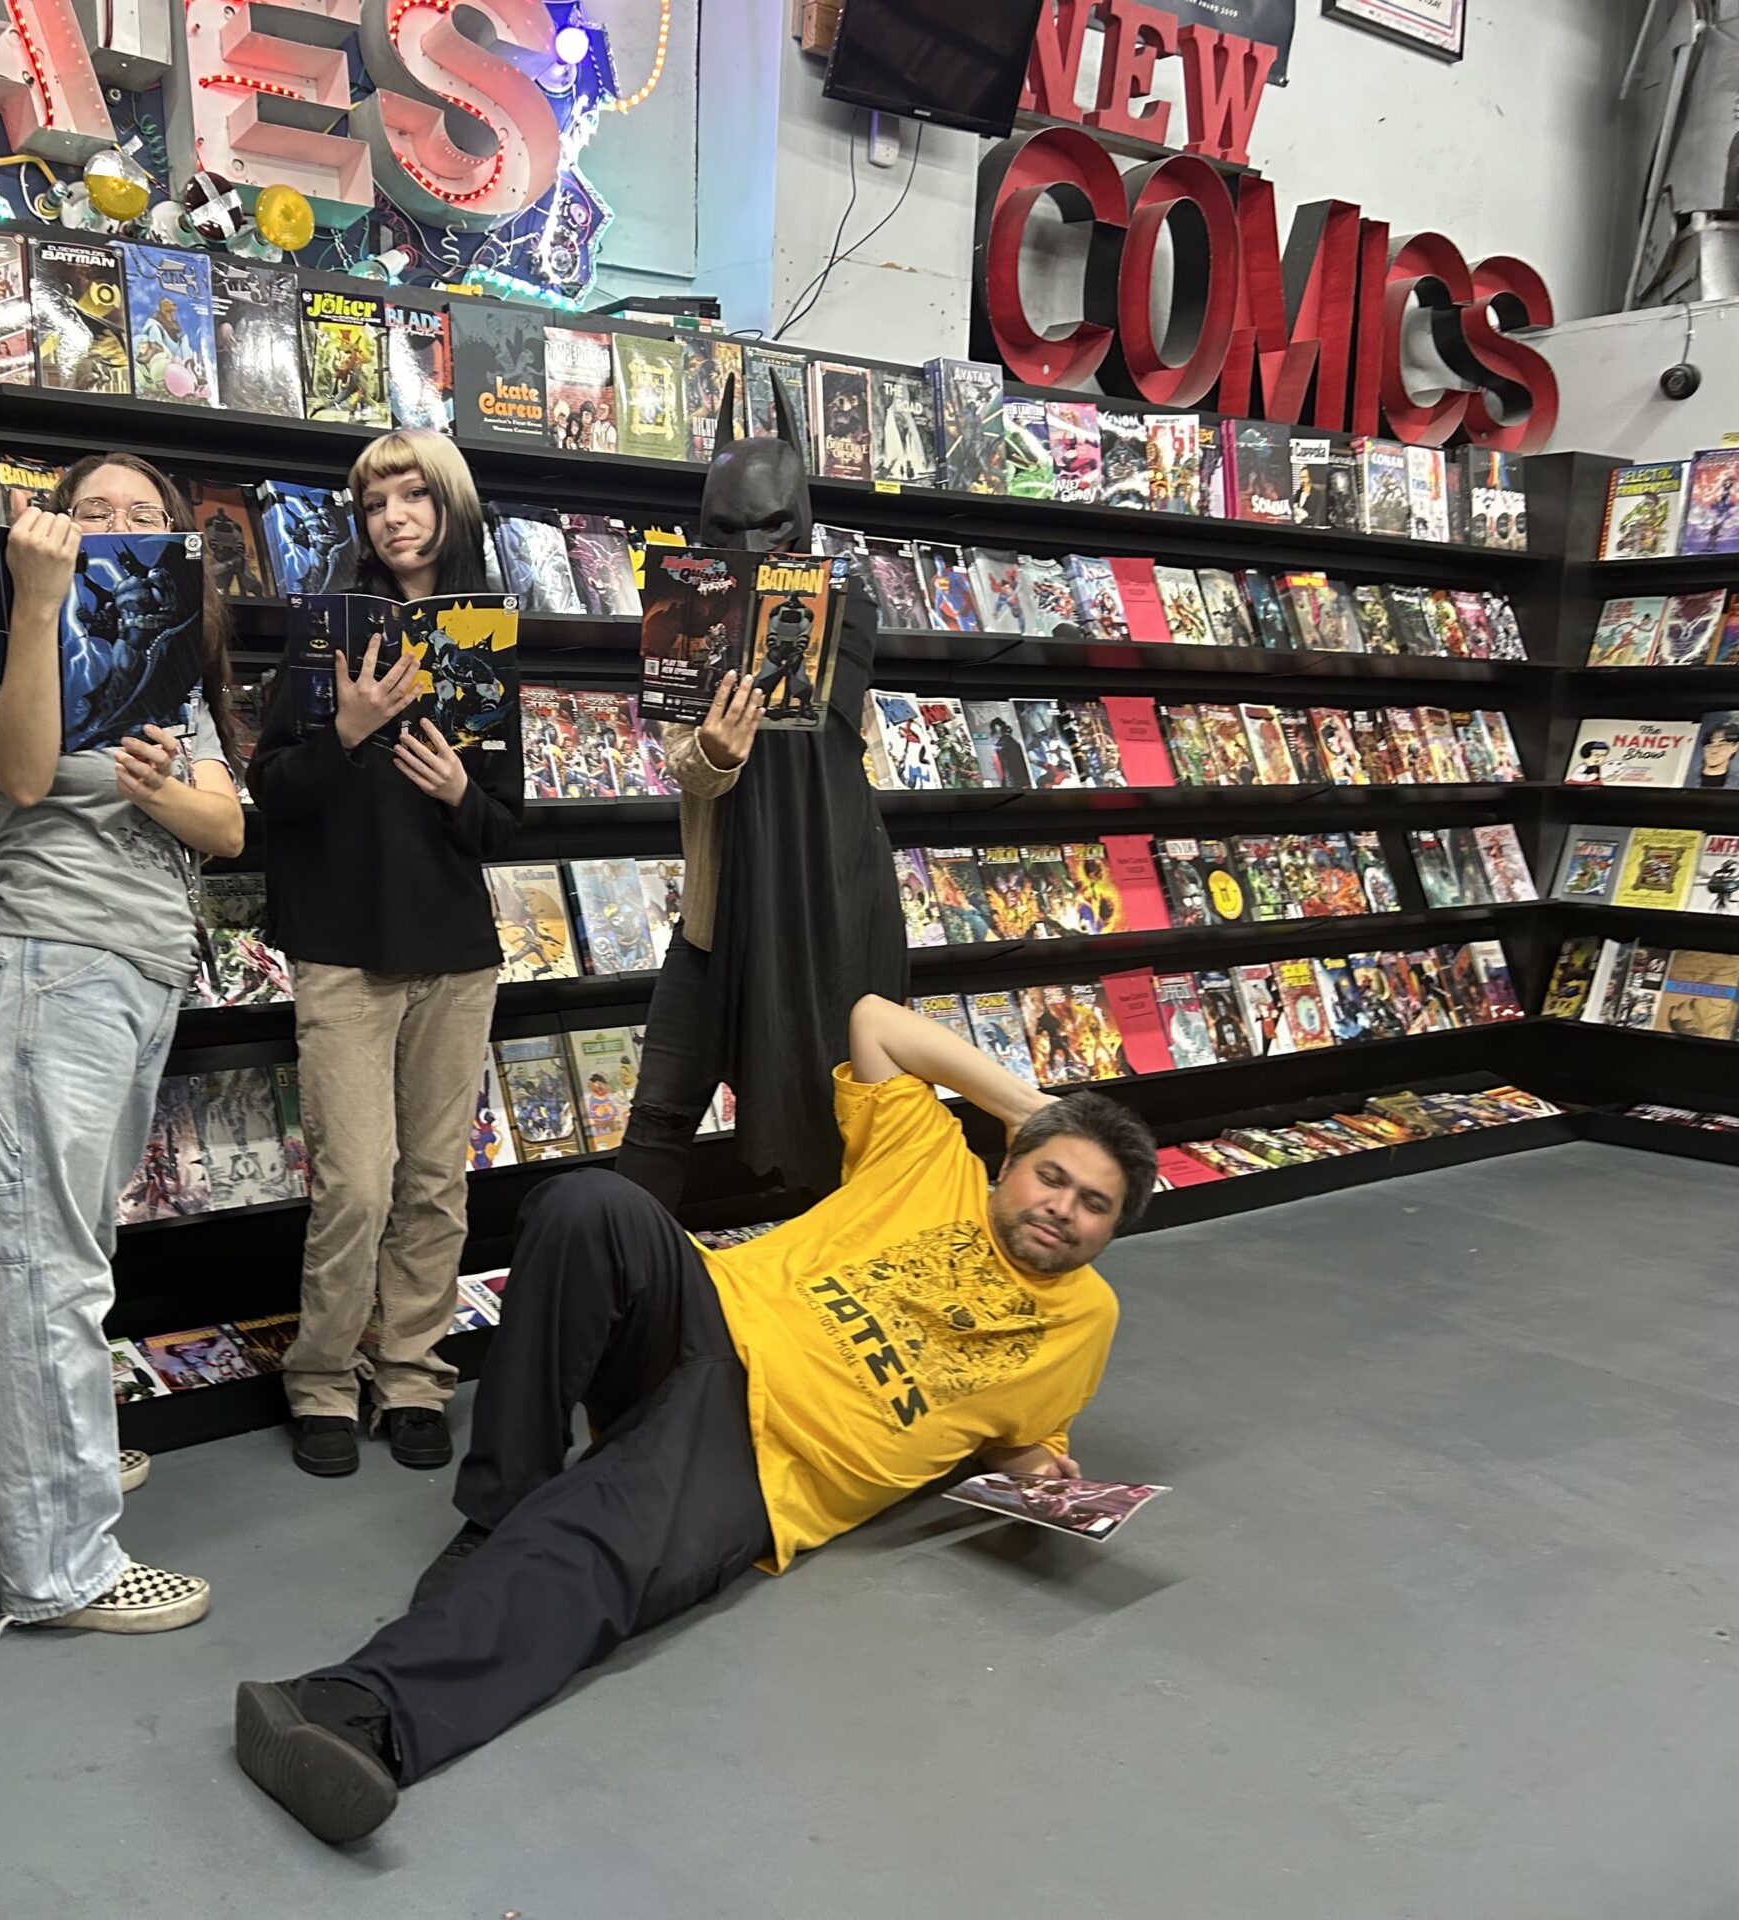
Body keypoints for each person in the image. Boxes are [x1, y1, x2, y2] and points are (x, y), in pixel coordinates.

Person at [233, 994, 1154, 1842]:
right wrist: (1036, 1106)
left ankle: (350, 1714)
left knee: (595, 1540)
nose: (1061, 1208)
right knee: (591, 1205)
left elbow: (1026, 1433)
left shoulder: (1087, 1321)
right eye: (1050, 1175)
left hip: (770, 1455)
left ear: (1114, 1230)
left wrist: (1038, 1468)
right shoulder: (930, 1163)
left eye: (1094, 1204)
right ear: (1011, 1159)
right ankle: (498, 1512)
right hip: (702, 1312)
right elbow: (876, 1019)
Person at [0, 452, 246, 1635]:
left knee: (69, 1260)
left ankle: (54, 1466)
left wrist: (157, 787)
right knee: (43, 1274)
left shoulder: (166, 675)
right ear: (52, 525)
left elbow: (224, 826)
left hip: (129, 982)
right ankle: (61, 1569)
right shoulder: (32, 635)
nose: (118, 524)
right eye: (92, 509)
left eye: (144, 515)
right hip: (49, 975)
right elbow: (18, 773)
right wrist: (38, 601)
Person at [248, 429, 523, 1478]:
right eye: (375, 503)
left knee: (434, 1182)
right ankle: (323, 1378)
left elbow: (506, 823)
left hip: (452, 947)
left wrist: (459, 792)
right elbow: (272, 793)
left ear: (452, 507)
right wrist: (347, 733)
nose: (396, 518)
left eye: (414, 496)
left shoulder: (483, 637)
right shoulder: (326, 634)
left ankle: (413, 1372)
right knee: (356, 1185)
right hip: (341, 946)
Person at [613, 376, 904, 1213]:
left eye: (772, 524)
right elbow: (686, 762)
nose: (751, 544)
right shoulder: (684, 610)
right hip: (717, 921)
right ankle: (625, 1279)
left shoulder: (846, 612)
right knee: (658, 1116)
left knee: (835, 1122)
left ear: (801, 518)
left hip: (828, 916)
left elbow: (854, 758)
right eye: (728, 528)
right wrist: (717, 748)